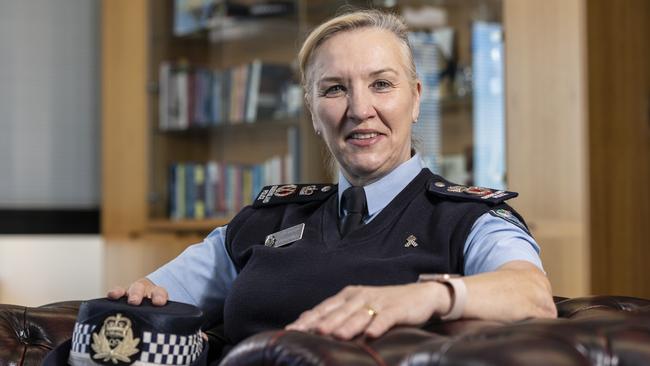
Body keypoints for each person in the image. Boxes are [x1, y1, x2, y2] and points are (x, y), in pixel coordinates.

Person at [109, 8, 556, 350]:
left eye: (381, 84)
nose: (360, 109)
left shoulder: (467, 217)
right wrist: (144, 301)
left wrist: (431, 297)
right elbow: (155, 297)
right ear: (313, 112)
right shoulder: (266, 220)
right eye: (335, 89)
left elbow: (531, 294)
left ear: (416, 100)